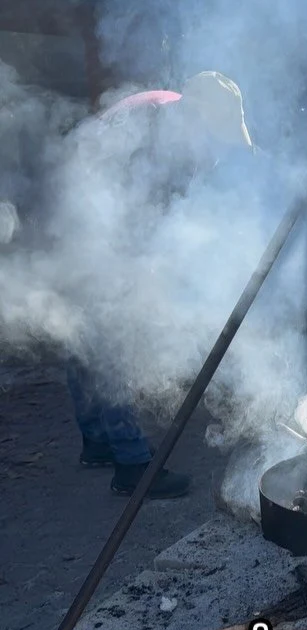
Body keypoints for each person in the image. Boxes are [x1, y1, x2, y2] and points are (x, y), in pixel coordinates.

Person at [66, 71, 255, 498]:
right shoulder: (154, 135)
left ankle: (97, 438)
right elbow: (131, 217)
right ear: (201, 119)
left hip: (83, 211)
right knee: (111, 334)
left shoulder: (173, 113)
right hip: (90, 219)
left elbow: (173, 210)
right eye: (219, 135)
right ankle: (132, 466)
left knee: (81, 331)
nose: (219, 148)